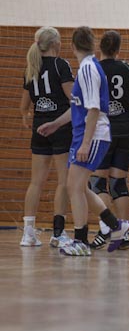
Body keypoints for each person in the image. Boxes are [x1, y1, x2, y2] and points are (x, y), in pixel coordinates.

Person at [38, 26, 129, 255]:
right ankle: (115, 226)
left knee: (75, 187)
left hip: (93, 135)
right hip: (84, 133)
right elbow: (78, 107)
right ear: (93, 44)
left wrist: (86, 143)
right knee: (77, 186)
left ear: (71, 46)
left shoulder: (88, 68)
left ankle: (80, 240)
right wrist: (56, 124)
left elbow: (94, 109)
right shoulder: (87, 67)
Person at [89, 30, 129, 250]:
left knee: (97, 182)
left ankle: (107, 228)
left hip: (102, 132)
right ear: (118, 49)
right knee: (118, 183)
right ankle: (123, 235)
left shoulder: (93, 69)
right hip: (125, 131)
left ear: (99, 48)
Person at [19, 26, 74, 248]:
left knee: (36, 182)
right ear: (55, 44)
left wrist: (27, 119)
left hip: (39, 128)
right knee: (63, 181)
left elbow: (24, 107)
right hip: (60, 127)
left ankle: (28, 234)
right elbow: (73, 98)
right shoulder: (61, 65)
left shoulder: (31, 67)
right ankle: (58, 233)